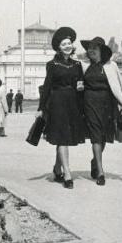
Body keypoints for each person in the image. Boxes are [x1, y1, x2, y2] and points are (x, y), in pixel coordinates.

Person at [80, 36, 122, 186]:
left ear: (101, 51)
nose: (90, 50)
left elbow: (120, 86)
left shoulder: (112, 66)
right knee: (96, 136)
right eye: (89, 48)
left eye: (94, 48)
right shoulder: (84, 66)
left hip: (107, 105)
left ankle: (94, 161)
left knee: (103, 137)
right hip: (89, 104)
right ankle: (100, 172)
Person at [38, 27, 87, 189]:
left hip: (73, 104)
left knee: (64, 137)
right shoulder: (52, 64)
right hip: (57, 103)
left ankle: (57, 168)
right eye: (64, 44)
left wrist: (81, 100)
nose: (67, 46)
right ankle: (67, 173)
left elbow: (80, 85)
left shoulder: (77, 64)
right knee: (62, 137)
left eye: (69, 43)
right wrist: (41, 107)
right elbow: (47, 87)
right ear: (59, 47)